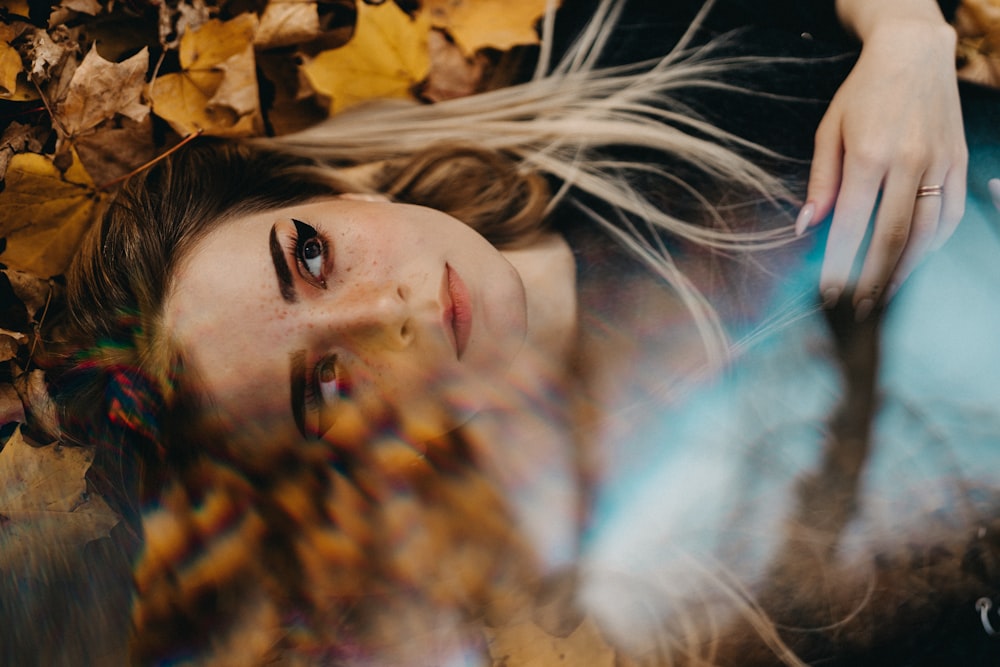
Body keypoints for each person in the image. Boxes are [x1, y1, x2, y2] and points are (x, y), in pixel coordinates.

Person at [44, 0, 1000, 664]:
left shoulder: (608, 54)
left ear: (328, 193)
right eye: (325, 385)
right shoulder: (682, 598)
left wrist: (905, 39)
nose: (393, 316)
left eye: (311, 256)